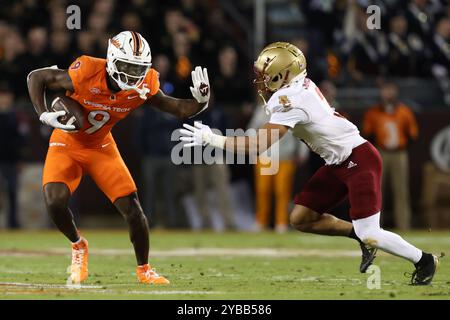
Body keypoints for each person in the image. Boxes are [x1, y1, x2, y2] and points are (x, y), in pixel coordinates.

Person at [179, 42, 439, 285]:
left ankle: (424, 260)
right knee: (301, 218)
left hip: (358, 159)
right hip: (338, 162)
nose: (262, 81)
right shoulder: (297, 86)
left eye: (267, 74)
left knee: (371, 232)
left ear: (285, 74)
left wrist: (210, 138)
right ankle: (358, 236)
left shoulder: (290, 99)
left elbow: (257, 146)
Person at [27, 31, 210, 285]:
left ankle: (144, 270)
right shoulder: (87, 70)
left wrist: (201, 102)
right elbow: (36, 77)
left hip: (101, 146)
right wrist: (43, 113)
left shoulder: (143, 85)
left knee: (134, 211)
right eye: (126, 66)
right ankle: (78, 246)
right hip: (67, 142)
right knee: (54, 201)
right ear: (112, 59)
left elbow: (178, 108)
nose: (132, 74)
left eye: (138, 68)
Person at [363, 81, 418, 230]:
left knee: (401, 191)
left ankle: (404, 226)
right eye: (385, 90)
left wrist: (403, 147)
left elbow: (412, 135)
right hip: (380, 153)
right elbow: (367, 134)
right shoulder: (373, 112)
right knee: (377, 190)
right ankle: (374, 226)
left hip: (399, 153)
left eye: (390, 90)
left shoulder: (404, 111)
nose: (388, 93)